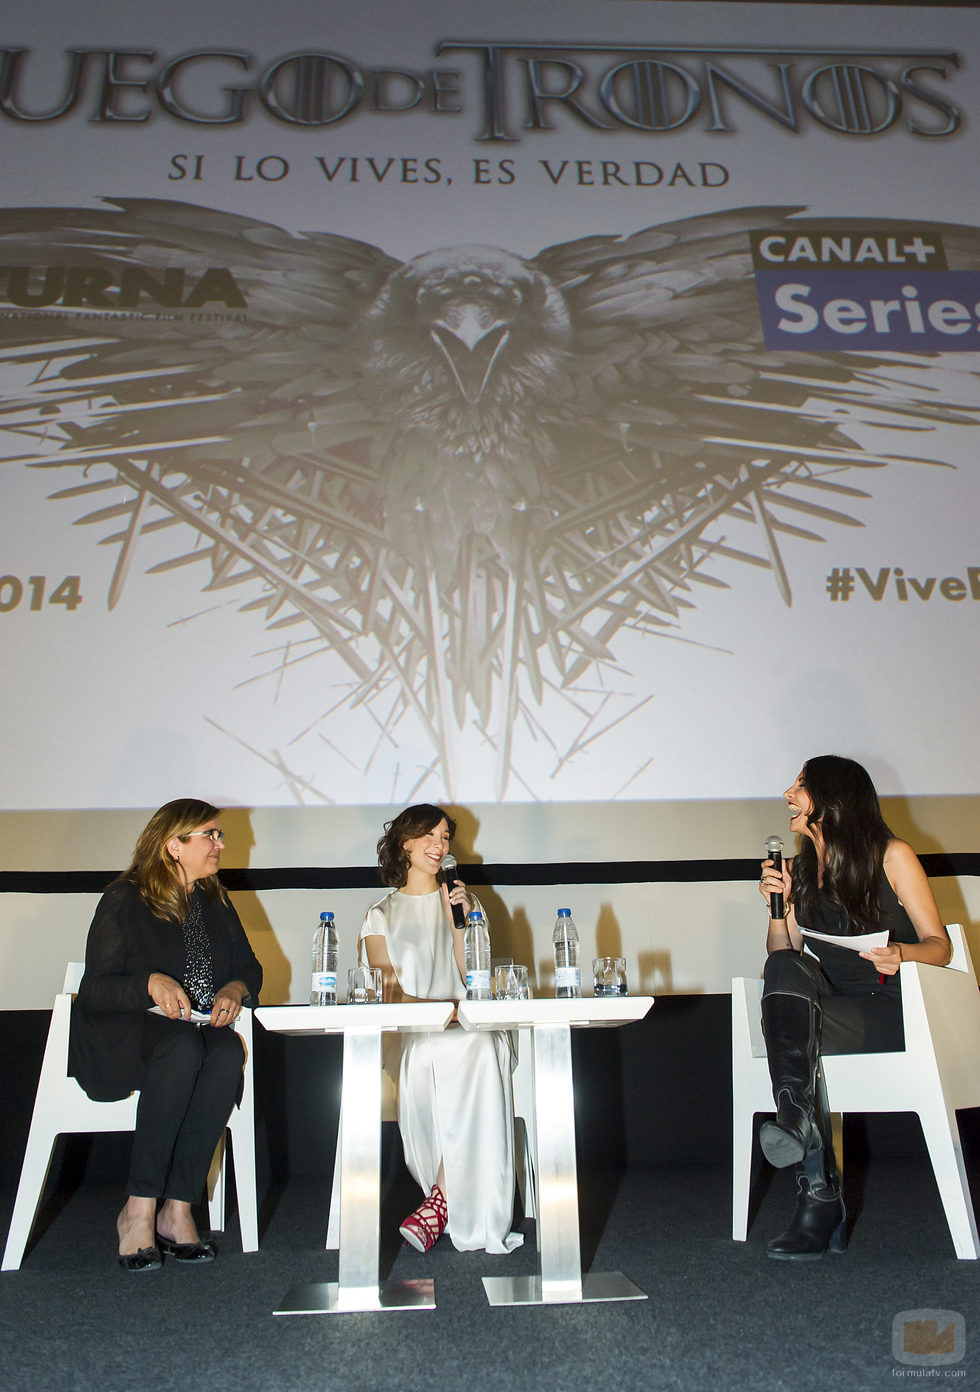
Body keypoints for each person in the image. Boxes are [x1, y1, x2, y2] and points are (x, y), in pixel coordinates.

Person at [758, 755, 950, 1261]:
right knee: (782, 975)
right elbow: (782, 956)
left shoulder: (893, 855)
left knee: (798, 1034)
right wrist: (780, 908)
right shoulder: (799, 868)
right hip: (831, 1007)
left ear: (833, 799)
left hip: (891, 1006)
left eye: (799, 786)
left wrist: (903, 952)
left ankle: (818, 1199)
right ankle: (798, 1122)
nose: (787, 795)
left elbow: (940, 946)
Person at [69, 799, 262, 1272]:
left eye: (219, 835)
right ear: (174, 845)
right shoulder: (126, 897)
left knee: (222, 1055)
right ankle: (138, 1209)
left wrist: (236, 989)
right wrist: (148, 984)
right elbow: (94, 988)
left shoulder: (214, 898)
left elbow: (248, 969)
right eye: (209, 835)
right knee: (180, 1049)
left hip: (193, 1033)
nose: (219, 843)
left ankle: (178, 1209)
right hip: (127, 1033)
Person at [359, 804, 523, 1255]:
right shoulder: (380, 914)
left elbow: (476, 980)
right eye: (429, 835)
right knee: (464, 1048)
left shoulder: (466, 905)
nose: (440, 845)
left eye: (446, 837)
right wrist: (441, 1014)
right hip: (414, 1034)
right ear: (405, 844)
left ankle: (441, 1200)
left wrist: (462, 922)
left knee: (478, 1045)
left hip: (471, 1028)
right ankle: (452, 1200)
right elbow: (387, 993)